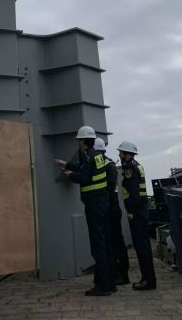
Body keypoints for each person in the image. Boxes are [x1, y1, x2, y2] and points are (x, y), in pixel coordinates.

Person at [55, 126, 115, 296]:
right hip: (103, 203)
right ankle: (110, 282)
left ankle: (102, 286)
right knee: (106, 243)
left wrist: (69, 175)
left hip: (94, 205)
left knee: (97, 245)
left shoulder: (88, 156)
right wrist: (67, 164)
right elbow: (84, 168)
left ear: (82, 141)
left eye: (78, 140)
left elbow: (83, 176)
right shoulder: (97, 156)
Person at [118, 140, 157, 291]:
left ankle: (148, 280)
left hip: (137, 212)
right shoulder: (137, 165)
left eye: (120, 152)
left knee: (141, 247)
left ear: (125, 153)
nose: (119, 154)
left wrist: (131, 211)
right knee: (143, 246)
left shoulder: (130, 168)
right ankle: (147, 278)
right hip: (142, 210)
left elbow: (133, 192)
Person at [94, 138, 130, 286]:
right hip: (108, 208)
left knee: (116, 242)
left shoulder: (108, 166)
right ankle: (115, 272)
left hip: (112, 209)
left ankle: (123, 274)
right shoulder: (104, 165)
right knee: (110, 242)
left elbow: (108, 189)